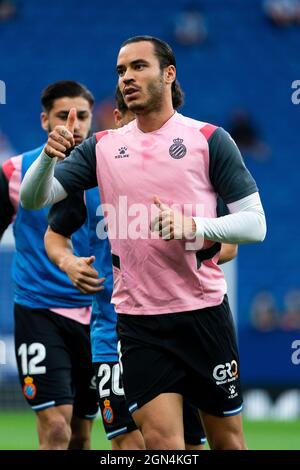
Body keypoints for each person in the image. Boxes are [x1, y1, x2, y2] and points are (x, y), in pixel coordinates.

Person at [20, 36, 266, 450]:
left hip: (203, 315)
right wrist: (47, 157)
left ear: (169, 73)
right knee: (160, 446)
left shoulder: (209, 139)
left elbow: (255, 225)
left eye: (138, 67)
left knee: (227, 443)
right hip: (137, 323)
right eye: (121, 71)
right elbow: (34, 199)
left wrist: (194, 226)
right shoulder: (102, 147)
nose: (127, 78)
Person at [44, 88, 236, 450]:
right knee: (131, 445)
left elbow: (230, 244)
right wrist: (67, 261)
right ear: (118, 121)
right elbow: (54, 235)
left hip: (185, 322)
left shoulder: (185, 175)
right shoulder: (87, 178)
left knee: (191, 447)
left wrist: (193, 237)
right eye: (135, 124)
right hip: (112, 330)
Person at [0, 81, 99, 450]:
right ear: (45, 120)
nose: (73, 125)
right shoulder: (14, 172)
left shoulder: (112, 169)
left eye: (82, 116)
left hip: (98, 316)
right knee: (56, 428)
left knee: (81, 433)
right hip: (38, 311)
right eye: (63, 116)